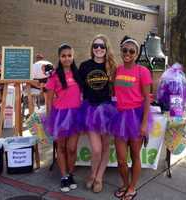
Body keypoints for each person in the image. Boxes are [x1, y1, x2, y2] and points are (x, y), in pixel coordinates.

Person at [109, 36, 152, 200]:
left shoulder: (143, 71)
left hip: (136, 117)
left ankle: (132, 188)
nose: (128, 53)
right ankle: (125, 184)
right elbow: (114, 92)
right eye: (125, 50)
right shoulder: (117, 70)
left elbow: (147, 98)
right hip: (120, 117)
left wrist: (144, 124)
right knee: (121, 159)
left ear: (136, 54)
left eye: (131, 51)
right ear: (121, 51)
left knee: (135, 156)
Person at [79, 34, 117, 193]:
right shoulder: (84, 66)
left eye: (102, 46)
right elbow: (78, 89)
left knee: (105, 147)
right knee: (96, 149)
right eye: (96, 46)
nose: (99, 49)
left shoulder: (112, 67)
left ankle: (98, 178)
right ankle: (92, 174)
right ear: (92, 48)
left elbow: (120, 88)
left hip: (107, 111)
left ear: (106, 48)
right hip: (90, 110)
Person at [44, 43, 82, 193]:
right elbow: (49, 99)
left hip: (75, 115)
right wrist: (49, 118)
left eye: (69, 55)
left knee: (72, 148)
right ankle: (64, 176)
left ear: (73, 57)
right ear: (59, 58)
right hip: (60, 116)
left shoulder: (78, 74)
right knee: (61, 147)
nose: (66, 58)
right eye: (63, 56)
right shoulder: (54, 76)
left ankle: (71, 173)